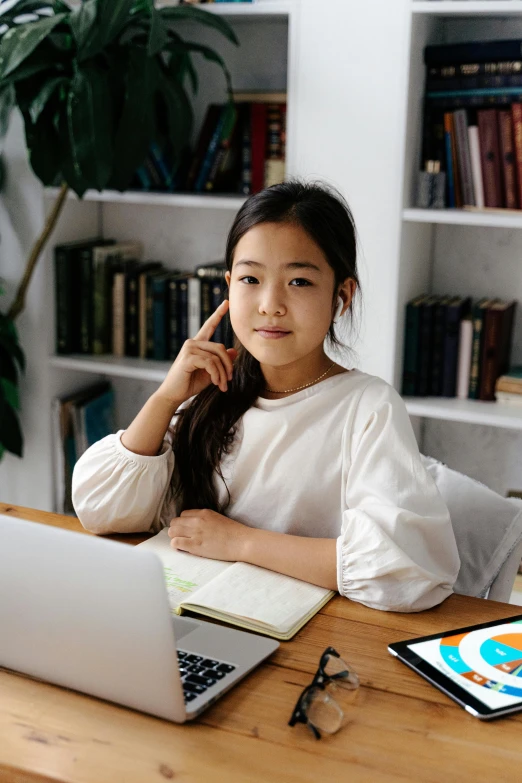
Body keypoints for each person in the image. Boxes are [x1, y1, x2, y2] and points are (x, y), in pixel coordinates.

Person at [72, 180, 460, 612]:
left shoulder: (367, 406)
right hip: (178, 616)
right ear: (228, 285)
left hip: (302, 634)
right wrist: (165, 398)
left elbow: (408, 569)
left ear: (342, 296)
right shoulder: (209, 392)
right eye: (251, 278)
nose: (270, 304)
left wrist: (240, 542)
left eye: (298, 281)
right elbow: (100, 510)